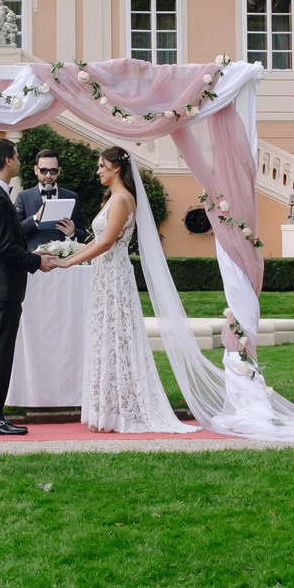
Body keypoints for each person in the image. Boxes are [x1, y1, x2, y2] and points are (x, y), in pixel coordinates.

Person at [54, 146, 193, 435]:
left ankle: (122, 410)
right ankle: (109, 409)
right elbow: (97, 241)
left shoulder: (120, 200)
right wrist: (68, 259)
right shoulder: (112, 199)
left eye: (102, 166)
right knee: (107, 336)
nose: (98, 171)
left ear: (117, 168)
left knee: (117, 336)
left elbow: (105, 243)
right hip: (104, 273)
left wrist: (68, 263)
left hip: (114, 273)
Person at [0, 137, 61, 436]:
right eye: (18, 157)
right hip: (0, 289)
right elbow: (3, 247)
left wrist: (30, 256)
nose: (20, 162)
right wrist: (36, 262)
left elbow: (4, 243)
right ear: (8, 160)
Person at [17, 152, 79, 244]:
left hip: (64, 256)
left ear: (59, 171)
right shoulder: (23, 197)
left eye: (53, 171)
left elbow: (82, 234)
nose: (48, 175)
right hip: (34, 256)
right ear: (35, 170)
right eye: (43, 170)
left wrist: (73, 232)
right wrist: (35, 217)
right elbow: (15, 232)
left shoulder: (71, 197)